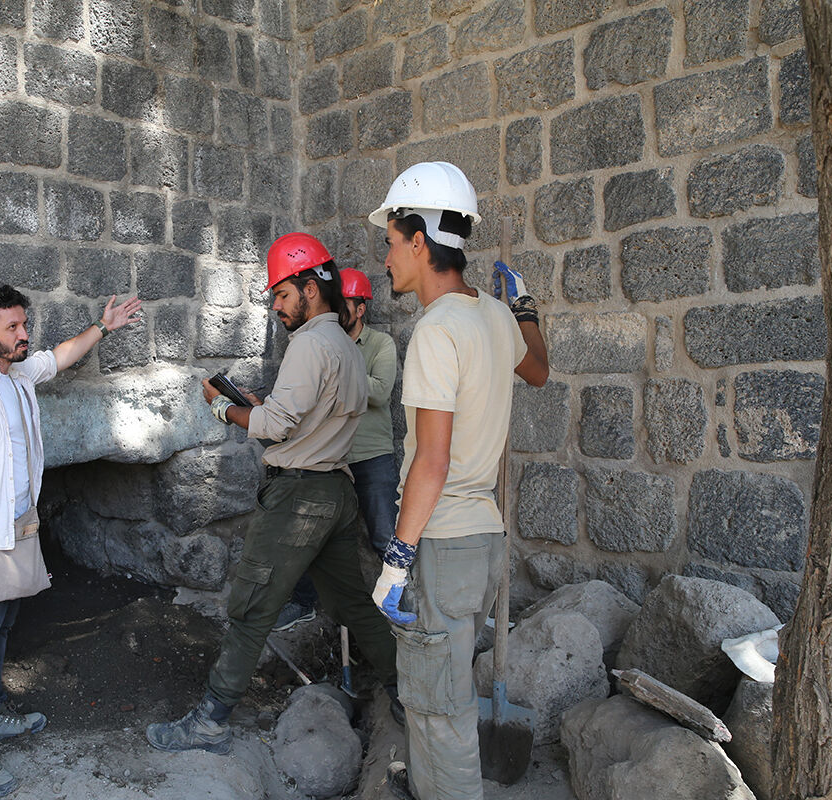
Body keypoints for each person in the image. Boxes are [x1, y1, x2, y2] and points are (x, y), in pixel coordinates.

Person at [145, 232, 399, 754]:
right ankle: (406, 687)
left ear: (310, 287)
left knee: (250, 607)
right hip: (335, 492)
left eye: (282, 295)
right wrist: (265, 405)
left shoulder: (308, 345)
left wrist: (223, 407)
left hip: (298, 499)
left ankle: (210, 721)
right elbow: (313, 415)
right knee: (353, 602)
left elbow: (276, 426)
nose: (277, 307)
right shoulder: (348, 348)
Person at [365, 162, 549, 800]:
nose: (386, 258)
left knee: (440, 710)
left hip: (442, 543)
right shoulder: (495, 317)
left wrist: (398, 554)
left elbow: (431, 461)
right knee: (437, 692)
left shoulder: (437, 330)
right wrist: (522, 304)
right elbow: (540, 371)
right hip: (484, 543)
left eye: (391, 242)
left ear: (419, 240)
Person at [0, 281, 140, 797]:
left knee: (2, 628)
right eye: (12, 328)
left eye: (24, 324)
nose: (24, 334)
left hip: (17, 526)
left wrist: (102, 327)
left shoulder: (15, 371)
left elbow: (59, 358)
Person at [274, 267, 401, 632]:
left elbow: (379, 391)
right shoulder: (317, 343)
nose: (334, 310)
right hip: (330, 458)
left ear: (360, 308)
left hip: (372, 456)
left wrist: (338, 364)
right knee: (309, 535)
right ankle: (303, 604)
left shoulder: (380, 345)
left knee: (383, 536)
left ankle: (401, 605)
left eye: (343, 304)